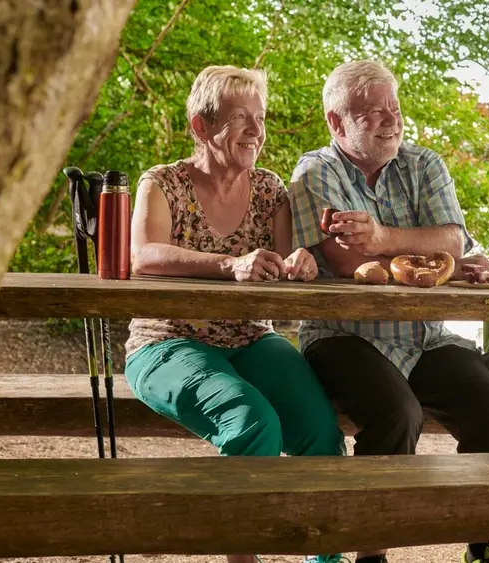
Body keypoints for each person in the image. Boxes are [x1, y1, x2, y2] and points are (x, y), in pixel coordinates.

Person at [287, 60, 489, 563]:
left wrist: (384, 239)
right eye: (372, 112)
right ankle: (373, 554)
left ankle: (482, 546)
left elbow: (454, 239)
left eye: (393, 107)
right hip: (343, 337)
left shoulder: (425, 164)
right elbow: (349, 260)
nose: (391, 120)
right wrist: (436, 260)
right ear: (336, 122)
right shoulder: (315, 171)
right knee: (397, 413)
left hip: (426, 337)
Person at [124, 65, 347, 563]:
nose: (256, 130)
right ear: (201, 127)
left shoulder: (270, 191)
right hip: (166, 343)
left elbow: (289, 267)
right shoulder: (163, 183)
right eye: (240, 118)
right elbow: (144, 255)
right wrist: (228, 264)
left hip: (250, 337)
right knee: (251, 422)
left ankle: (325, 560)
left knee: (321, 432)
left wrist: (302, 261)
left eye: (260, 118)